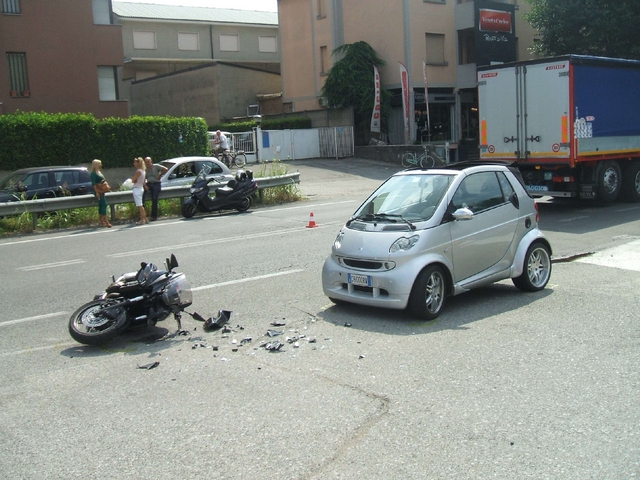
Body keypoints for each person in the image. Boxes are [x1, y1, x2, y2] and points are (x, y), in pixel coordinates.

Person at [144, 156, 168, 221]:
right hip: (149, 183)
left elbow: (165, 169)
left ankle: (154, 216)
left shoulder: (156, 166)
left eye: (148, 162)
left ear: (151, 162)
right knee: (141, 194)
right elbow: (143, 178)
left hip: (156, 184)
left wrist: (160, 175)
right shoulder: (145, 169)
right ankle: (142, 215)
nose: (147, 163)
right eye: (146, 162)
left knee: (154, 198)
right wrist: (145, 185)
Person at [90, 159, 112, 228]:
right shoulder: (93, 173)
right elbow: (93, 184)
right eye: (99, 164)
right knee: (104, 204)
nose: (101, 165)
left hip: (102, 190)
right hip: (98, 191)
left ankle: (101, 220)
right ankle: (105, 221)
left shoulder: (99, 172)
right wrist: (96, 192)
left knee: (102, 205)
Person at [132, 157, 147, 225]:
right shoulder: (143, 171)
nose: (134, 163)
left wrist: (133, 180)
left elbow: (133, 180)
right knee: (141, 205)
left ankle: (142, 219)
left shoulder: (138, 171)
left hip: (137, 188)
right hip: (141, 188)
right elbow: (144, 182)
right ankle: (145, 218)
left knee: (139, 205)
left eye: (135, 162)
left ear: (138, 163)